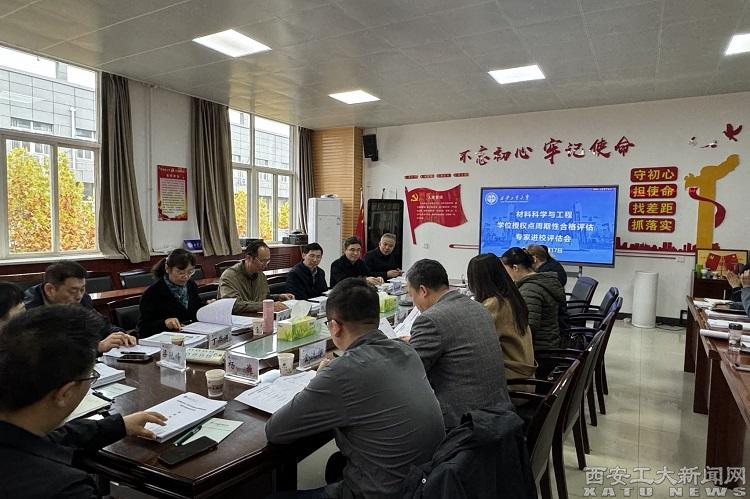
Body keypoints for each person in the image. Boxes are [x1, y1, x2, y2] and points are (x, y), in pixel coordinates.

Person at [265, 278, 445, 498]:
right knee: (336, 465)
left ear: (334, 327)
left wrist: (319, 379)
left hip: (385, 492)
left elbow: (276, 430)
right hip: (426, 482)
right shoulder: (406, 351)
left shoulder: (342, 371)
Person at [0, 305, 167, 498]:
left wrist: (118, 425)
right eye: (91, 375)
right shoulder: (63, 488)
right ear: (65, 393)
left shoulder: (18, 430)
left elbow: (51, 439)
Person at [404, 259, 513, 428]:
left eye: (411, 295)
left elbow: (410, 372)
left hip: (463, 422)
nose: (413, 302)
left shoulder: (430, 319)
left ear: (423, 290)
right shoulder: (477, 307)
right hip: (498, 412)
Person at [24, 261, 135, 353]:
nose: (79, 296)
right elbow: (48, 349)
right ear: (50, 289)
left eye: (82, 289)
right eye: (73, 291)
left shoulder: (83, 299)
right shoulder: (29, 309)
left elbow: (102, 326)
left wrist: (120, 335)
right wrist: (96, 347)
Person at [467, 254, 536, 381]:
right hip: (525, 375)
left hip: (511, 379)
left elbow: (475, 339)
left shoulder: (495, 304)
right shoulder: (512, 297)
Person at [501, 247, 565, 350]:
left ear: (515, 268)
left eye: (506, 270)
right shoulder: (539, 282)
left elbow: (529, 327)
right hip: (549, 341)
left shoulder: (530, 289)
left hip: (539, 348)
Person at [138, 249, 206, 338]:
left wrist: (207, 306)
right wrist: (165, 323)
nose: (186, 277)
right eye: (180, 272)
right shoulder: (152, 293)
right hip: (167, 339)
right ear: (167, 269)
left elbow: (195, 309)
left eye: (190, 272)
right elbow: (143, 328)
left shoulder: (191, 285)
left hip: (192, 335)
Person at [218, 240, 294, 314]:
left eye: (267, 261)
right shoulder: (229, 276)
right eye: (262, 261)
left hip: (257, 317)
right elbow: (233, 305)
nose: (265, 265)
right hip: (237, 319)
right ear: (248, 258)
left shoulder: (261, 275)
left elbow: (263, 297)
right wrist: (265, 306)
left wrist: (278, 297)